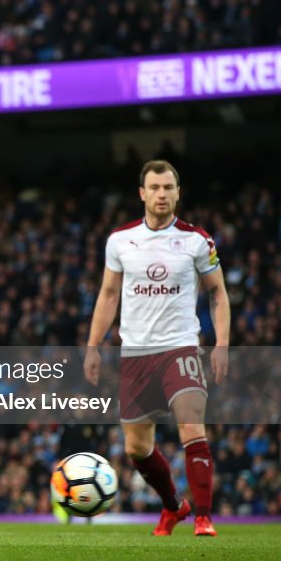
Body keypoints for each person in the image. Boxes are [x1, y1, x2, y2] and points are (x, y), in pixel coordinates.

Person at [84, 160, 230, 537]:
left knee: (191, 425)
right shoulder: (120, 240)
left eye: (169, 187)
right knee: (136, 447)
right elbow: (109, 294)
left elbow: (218, 292)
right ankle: (173, 506)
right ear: (142, 194)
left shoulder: (197, 240)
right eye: (156, 188)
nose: (162, 194)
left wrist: (221, 345)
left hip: (180, 348)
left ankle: (203, 516)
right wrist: (92, 345)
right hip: (135, 354)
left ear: (178, 193)